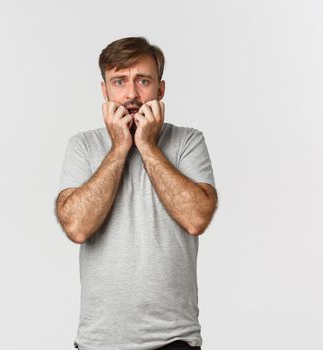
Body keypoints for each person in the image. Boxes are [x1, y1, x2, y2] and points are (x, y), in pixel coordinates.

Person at [55, 36, 218, 350]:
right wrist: (119, 148)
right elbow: (77, 227)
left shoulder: (188, 141)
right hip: (99, 341)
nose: (131, 94)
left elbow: (196, 218)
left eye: (143, 81)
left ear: (160, 89)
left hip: (174, 338)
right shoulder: (83, 145)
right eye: (119, 81)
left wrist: (147, 145)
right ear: (105, 91)